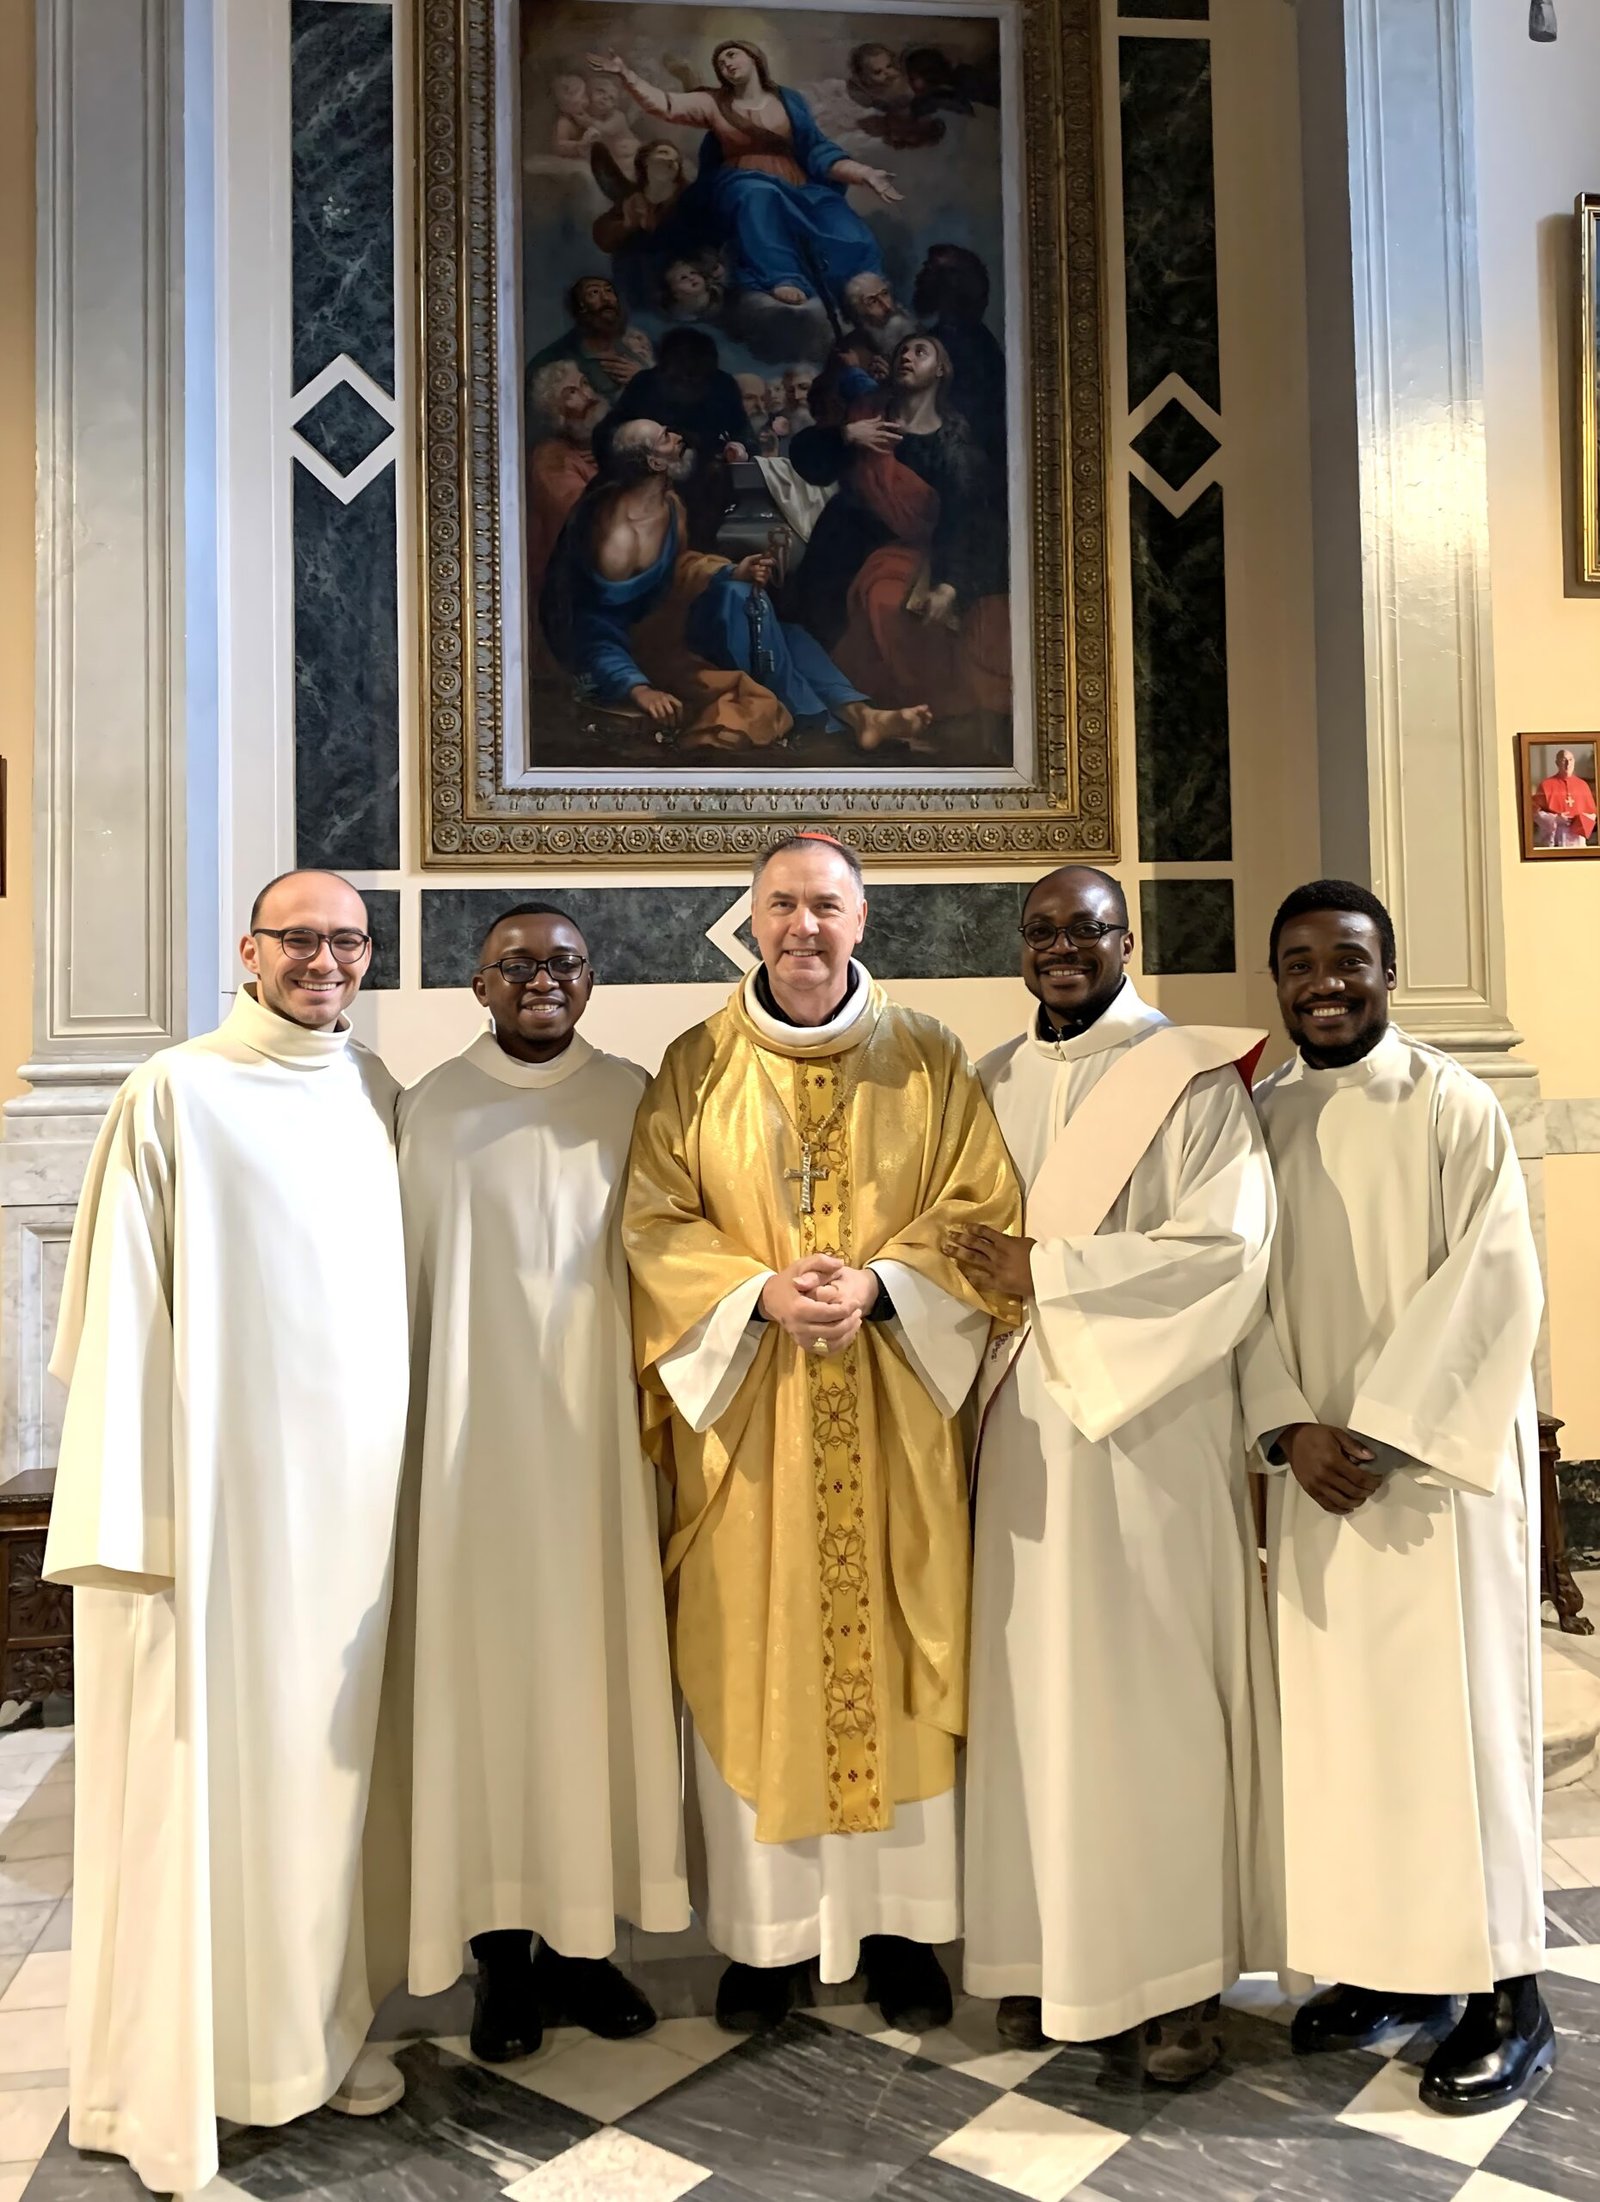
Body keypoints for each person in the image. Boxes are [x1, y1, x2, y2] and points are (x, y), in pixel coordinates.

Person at [43, 871, 411, 2194]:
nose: (325, 960)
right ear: (249, 950)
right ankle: (183, 2082)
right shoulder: (175, 1092)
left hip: (351, 1516)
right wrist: (140, 1515)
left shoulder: (375, 1092)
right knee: (205, 1787)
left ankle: (314, 2042)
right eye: (299, 939)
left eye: (347, 940)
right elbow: (114, 1323)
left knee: (327, 1790)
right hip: (218, 1516)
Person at [622, 833, 1022, 2037]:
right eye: (783, 905)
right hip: (753, 1422)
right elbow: (652, 1225)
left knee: (897, 1655)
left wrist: (882, 1285)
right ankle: (768, 1941)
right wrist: (757, 1294)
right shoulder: (694, 1067)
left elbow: (982, 1209)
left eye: (826, 906)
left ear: (862, 919)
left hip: (894, 1405)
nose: (804, 927)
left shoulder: (930, 1057)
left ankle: (902, 1931)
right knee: (757, 1655)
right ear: (751, 921)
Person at [952, 867, 1283, 2082]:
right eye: (1041, 932)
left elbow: (1227, 1250)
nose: (1061, 949)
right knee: (1033, 1695)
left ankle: (1174, 1982)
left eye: (1085, 931)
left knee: (1151, 1701)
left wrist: (1048, 1273)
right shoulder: (987, 1082)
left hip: (1147, 1430)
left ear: (1125, 941)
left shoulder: (1187, 1077)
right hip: (1019, 1435)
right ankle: (1049, 1957)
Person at [1238, 879, 1552, 2115]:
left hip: (1432, 1482)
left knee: (1459, 1737)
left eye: (1347, 959)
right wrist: (1285, 1424)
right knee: (1347, 1740)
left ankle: (1507, 1997)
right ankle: (1388, 1968)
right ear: (1276, 980)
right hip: (1316, 1479)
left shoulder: (1450, 1104)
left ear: (1387, 970)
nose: (1324, 982)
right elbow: (1234, 1288)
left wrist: (1375, 1431)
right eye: (1299, 962)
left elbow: (1493, 1282)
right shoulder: (1257, 1117)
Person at [397, 903, 688, 2060]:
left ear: (592, 978)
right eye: (515, 965)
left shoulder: (634, 1103)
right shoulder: (429, 1112)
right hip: (467, 1466)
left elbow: (677, 1275)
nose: (541, 981)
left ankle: (584, 1946)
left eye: (563, 963)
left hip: (598, 1458)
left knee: (592, 1688)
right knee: (482, 1700)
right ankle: (501, 1962)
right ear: (477, 985)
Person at [540, 417, 934, 753]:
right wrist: (638, 688)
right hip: (643, 655)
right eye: (665, 437)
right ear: (653, 462)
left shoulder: (668, 504)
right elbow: (593, 629)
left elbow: (676, 572)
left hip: (675, 624)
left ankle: (861, 715)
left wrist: (731, 572)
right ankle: (821, 721)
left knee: (768, 618)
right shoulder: (617, 539)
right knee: (749, 618)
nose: (677, 437)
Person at [585, 41, 898, 309]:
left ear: (754, 58)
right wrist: (626, 75)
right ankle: (782, 275)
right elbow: (666, 104)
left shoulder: (789, 101)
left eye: (732, 55)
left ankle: (864, 288)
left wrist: (866, 174)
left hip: (798, 185)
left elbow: (818, 150)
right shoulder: (714, 102)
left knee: (846, 226)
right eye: (721, 62)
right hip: (738, 183)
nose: (726, 64)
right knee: (757, 194)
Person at [911, 243, 1007, 463]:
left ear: (950, 282)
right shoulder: (941, 336)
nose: (919, 277)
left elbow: (963, 420)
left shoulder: (970, 347)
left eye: (928, 269)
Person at [526, 359, 605, 615]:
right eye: (571, 393)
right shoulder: (551, 458)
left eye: (585, 384)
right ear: (556, 412)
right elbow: (583, 519)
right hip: (574, 591)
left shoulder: (606, 444)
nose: (588, 396)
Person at [527, 276, 654, 403]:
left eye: (609, 291)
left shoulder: (634, 346)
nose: (606, 298)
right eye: (594, 292)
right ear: (581, 306)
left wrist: (642, 380)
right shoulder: (553, 361)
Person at [841, 270, 916, 360]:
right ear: (859, 312)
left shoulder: (914, 326)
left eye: (885, 293)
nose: (887, 306)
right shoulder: (856, 352)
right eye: (873, 301)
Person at [1534, 745, 1597, 847]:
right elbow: (1535, 813)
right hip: (1556, 835)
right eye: (1564, 760)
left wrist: (1581, 820)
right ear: (1557, 763)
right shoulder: (1545, 785)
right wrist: (1555, 819)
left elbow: (1592, 813)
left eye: (1570, 760)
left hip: (1577, 837)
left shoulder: (1583, 785)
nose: (1568, 764)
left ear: (1574, 762)